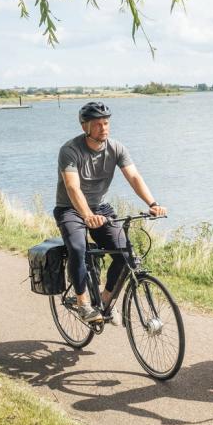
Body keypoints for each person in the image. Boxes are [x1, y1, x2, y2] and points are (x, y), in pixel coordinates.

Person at [54, 101, 166, 324]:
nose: (103, 128)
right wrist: (86, 215)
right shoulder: (70, 150)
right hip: (70, 209)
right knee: (77, 248)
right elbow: (72, 187)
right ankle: (83, 303)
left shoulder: (116, 148)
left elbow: (134, 177)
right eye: (97, 124)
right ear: (85, 126)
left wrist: (153, 203)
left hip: (100, 209)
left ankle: (105, 302)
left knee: (125, 254)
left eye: (106, 123)